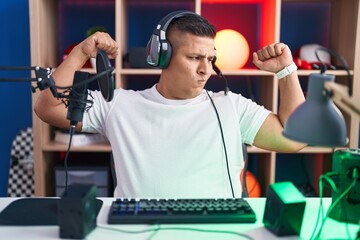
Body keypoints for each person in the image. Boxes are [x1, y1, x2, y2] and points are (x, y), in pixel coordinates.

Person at [34, 11, 306, 199]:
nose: (206, 70)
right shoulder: (118, 104)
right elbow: (47, 107)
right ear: (161, 57)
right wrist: (81, 52)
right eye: (194, 57)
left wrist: (286, 71)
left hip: (216, 228)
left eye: (211, 59)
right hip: (139, 229)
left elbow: (296, 139)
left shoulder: (232, 106)